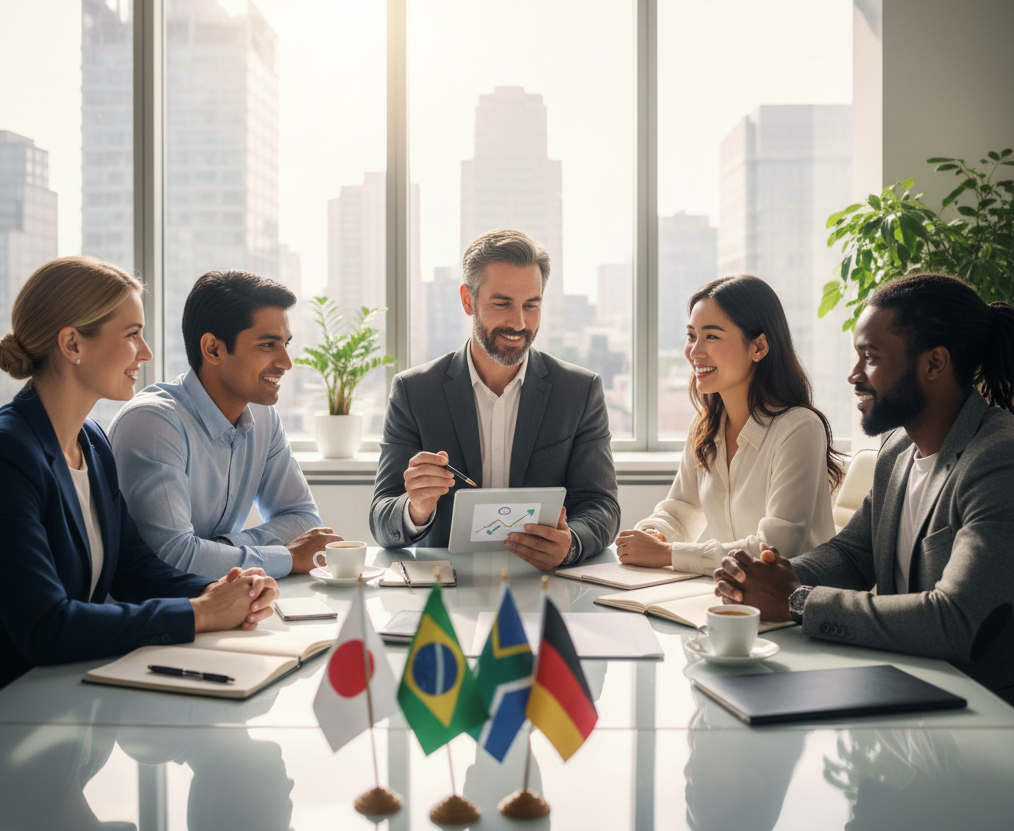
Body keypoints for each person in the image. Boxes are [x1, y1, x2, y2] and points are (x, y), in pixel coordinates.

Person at [714, 273, 1014, 701]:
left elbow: (959, 619)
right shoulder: (897, 451)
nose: (854, 375)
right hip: (905, 692)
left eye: (870, 357)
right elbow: (854, 554)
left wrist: (797, 600)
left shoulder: (998, 459)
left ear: (934, 363)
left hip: (984, 715)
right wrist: (768, 577)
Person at [0, 256, 279, 697]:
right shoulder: (5, 454)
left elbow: (131, 566)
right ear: (72, 344)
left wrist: (225, 590)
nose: (145, 352)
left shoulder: (91, 442)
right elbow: (46, 625)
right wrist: (199, 614)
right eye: (131, 335)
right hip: (15, 707)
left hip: (71, 694)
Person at [369, 229, 619, 569]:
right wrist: (416, 508)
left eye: (531, 305)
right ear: (468, 300)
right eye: (502, 304)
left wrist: (571, 543)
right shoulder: (415, 392)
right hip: (448, 593)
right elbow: (382, 519)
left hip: (544, 585)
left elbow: (601, 505)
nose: (519, 322)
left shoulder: (579, 390)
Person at [109, 270, 339, 578]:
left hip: (220, 601)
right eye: (268, 345)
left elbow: (303, 518)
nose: (286, 362)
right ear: (213, 349)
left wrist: (218, 547)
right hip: (157, 615)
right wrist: (286, 557)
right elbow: (173, 559)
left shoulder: (263, 416)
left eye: (286, 343)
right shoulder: (153, 423)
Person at [616, 275, 841, 575]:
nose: (695, 352)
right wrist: (653, 534)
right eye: (691, 335)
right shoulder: (706, 426)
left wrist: (667, 554)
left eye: (711, 336)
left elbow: (776, 548)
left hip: (793, 607)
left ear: (758, 347)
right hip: (729, 599)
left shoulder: (799, 428)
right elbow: (681, 511)